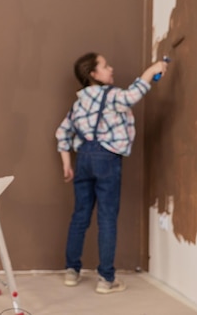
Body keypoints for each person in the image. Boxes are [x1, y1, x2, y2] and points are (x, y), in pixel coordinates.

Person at [55, 53, 167, 294]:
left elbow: (62, 133)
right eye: (105, 66)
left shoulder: (79, 103)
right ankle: (106, 279)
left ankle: (71, 272)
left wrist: (67, 164)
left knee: (80, 216)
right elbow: (134, 95)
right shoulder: (113, 96)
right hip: (107, 158)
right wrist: (153, 70)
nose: (111, 69)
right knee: (106, 218)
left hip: (84, 157)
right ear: (93, 74)